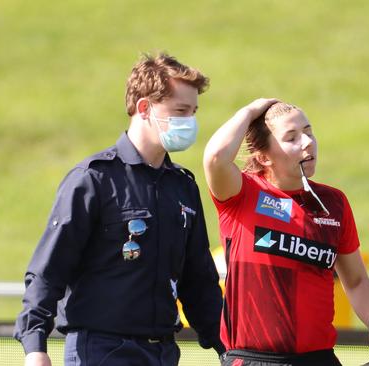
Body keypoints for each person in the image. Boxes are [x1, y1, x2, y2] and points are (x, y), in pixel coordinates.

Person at [14, 53, 225, 366]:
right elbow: (50, 269)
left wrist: (229, 348)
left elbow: (199, 281)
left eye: (193, 112)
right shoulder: (93, 179)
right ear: (144, 108)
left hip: (164, 352)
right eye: (180, 111)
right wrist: (35, 345)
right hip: (101, 350)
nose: (189, 122)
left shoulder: (183, 187)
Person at [203, 99, 369, 365]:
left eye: (308, 131)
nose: (307, 142)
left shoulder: (333, 203)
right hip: (253, 360)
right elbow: (215, 157)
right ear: (264, 156)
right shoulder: (241, 193)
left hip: (318, 360)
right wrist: (250, 111)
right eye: (291, 137)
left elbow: (357, 280)